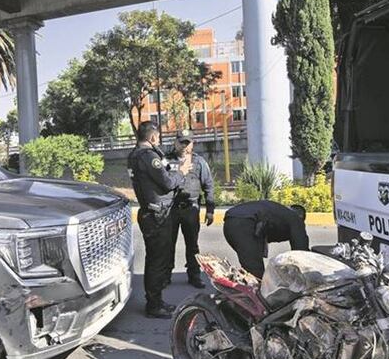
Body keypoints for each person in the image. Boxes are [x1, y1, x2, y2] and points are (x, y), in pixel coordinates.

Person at [128, 121, 190, 318]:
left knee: (155, 258)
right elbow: (168, 182)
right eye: (158, 137)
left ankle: (157, 300)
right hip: (158, 215)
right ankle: (154, 305)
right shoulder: (148, 157)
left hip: (151, 212)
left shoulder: (135, 155)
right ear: (153, 137)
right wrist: (182, 172)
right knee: (157, 260)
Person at [167, 129, 215, 288]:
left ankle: (194, 275)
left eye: (187, 143)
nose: (184, 146)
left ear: (192, 144)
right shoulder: (167, 161)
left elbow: (208, 185)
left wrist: (210, 209)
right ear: (175, 142)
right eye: (181, 142)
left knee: (192, 245)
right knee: (168, 244)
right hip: (171, 209)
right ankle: (166, 275)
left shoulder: (199, 162)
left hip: (191, 209)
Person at [223, 199, 309, 278]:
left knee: (251, 266)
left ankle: (240, 289)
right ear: (301, 216)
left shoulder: (279, 211)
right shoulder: (295, 218)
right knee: (256, 273)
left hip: (229, 222)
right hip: (245, 223)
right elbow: (301, 250)